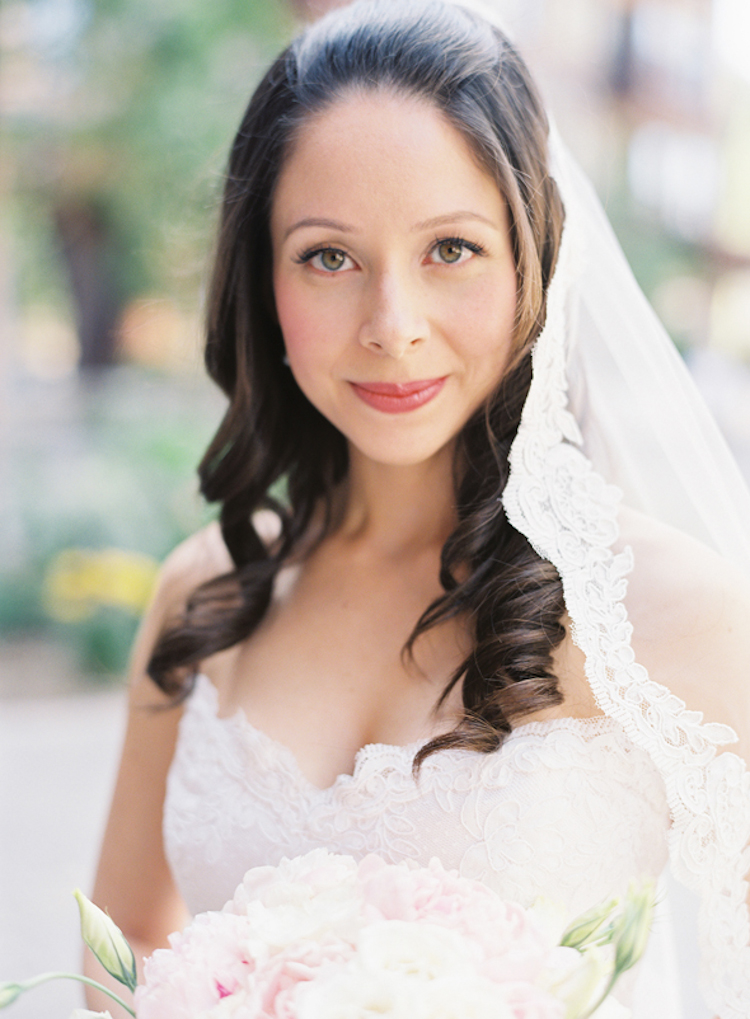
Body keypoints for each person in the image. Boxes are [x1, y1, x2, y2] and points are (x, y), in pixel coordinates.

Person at [86, 2, 750, 1016]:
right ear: (262, 283)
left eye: (451, 249)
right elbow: (128, 940)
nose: (392, 326)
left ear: (535, 258)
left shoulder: (675, 613)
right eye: (329, 256)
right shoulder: (201, 597)